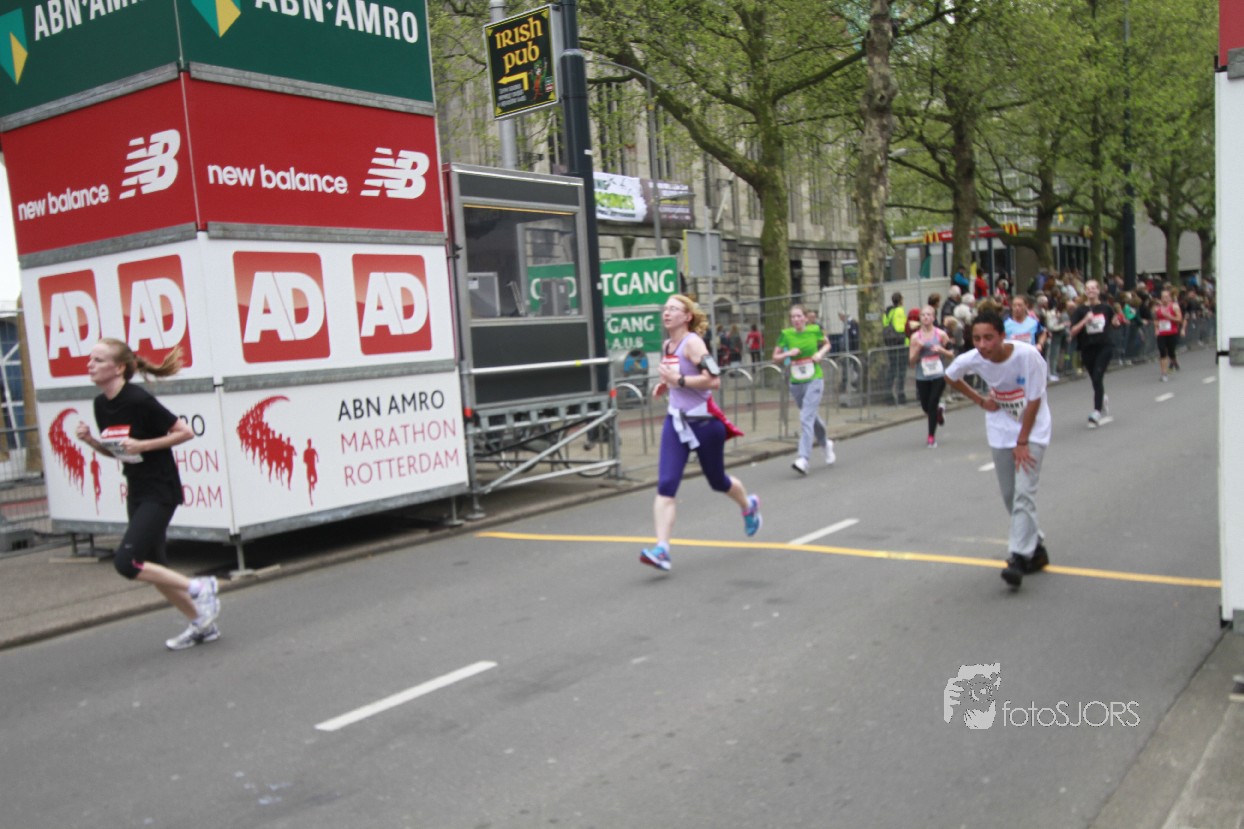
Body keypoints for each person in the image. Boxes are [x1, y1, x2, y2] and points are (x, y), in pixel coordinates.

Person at [73, 339, 221, 651]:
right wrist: (91, 441)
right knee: (154, 567)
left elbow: (184, 432)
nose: (90, 364)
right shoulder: (101, 405)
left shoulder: (138, 400)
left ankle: (200, 586)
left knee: (127, 563)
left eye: (98, 360)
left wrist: (144, 445)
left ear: (119, 368)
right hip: (137, 488)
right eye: (90, 359)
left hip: (160, 488)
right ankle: (201, 624)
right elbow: (119, 451)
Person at [643, 295, 762, 572]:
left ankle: (748, 505)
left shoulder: (693, 343)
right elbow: (673, 377)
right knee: (666, 485)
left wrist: (680, 380)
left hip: (705, 423)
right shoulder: (668, 345)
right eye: (665, 309)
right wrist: (665, 385)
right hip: (676, 422)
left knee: (718, 481)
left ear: (687, 317)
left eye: (673, 309)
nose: (666, 313)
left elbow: (714, 380)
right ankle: (662, 549)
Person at [944, 305, 1052, 589]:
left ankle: (1017, 557)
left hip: (1032, 430)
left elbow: (1034, 400)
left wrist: (1023, 441)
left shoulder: (1028, 356)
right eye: (977, 339)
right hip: (1001, 430)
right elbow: (950, 375)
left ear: (1003, 336)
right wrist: (980, 400)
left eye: (988, 338)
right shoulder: (973, 358)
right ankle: (1036, 547)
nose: (982, 345)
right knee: (1010, 496)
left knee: (1024, 493)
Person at [773, 304, 835, 474]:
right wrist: (788, 354)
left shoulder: (814, 330)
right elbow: (775, 357)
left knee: (806, 417)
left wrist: (819, 354)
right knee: (811, 416)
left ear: (805, 318)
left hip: (814, 379)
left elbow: (827, 344)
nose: (796, 319)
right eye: (793, 317)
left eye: (799, 316)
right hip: (796, 382)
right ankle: (825, 443)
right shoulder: (786, 334)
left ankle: (803, 459)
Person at [1068, 279, 1120, 428]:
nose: (1091, 290)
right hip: (1087, 348)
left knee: (1097, 376)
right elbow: (1073, 331)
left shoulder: (1106, 308)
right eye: (1088, 288)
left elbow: (1115, 323)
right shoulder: (1080, 310)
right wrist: (1085, 320)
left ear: (1098, 291)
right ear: (1085, 291)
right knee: (1095, 380)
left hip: (1104, 346)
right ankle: (1102, 397)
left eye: (1093, 288)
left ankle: (1096, 412)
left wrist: (1116, 323)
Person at [908, 305, 954, 448]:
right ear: (920, 318)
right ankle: (938, 413)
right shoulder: (915, 337)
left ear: (933, 318)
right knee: (925, 406)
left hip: (938, 374)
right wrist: (918, 349)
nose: (926, 317)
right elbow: (911, 362)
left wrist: (941, 350)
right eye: (923, 315)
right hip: (922, 375)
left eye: (929, 315)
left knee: (932, 402)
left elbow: (951, 354)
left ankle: (931, 437)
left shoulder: (941, 334)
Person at [882, 292, 908, 405]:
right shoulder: (899, 311)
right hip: (900, 344)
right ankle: (901, 394)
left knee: (892, 369)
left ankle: (888, 394)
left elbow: (885, 324)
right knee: (901, 370)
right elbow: (899, 328)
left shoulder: (888, 312)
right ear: (900, 300)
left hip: (890, 344)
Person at [1154, 287, 1183, 381]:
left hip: (1172, 333)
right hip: (1162, 333)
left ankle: (1174, 361)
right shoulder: (1157, 308)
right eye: (1163, 297)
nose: (1164, 299)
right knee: (1163, 352)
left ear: (1170, 297)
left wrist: (1169, 317)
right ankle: (1164, 374)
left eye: (1166, 297)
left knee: (1171, 352)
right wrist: (1156, 329)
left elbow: (1179, 319)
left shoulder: (1174, 306)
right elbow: (1156, 319)